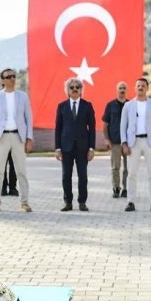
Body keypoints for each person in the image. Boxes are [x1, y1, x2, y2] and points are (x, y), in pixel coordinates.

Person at [0, 67, 33, 213]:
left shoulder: (23, 96)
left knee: (21, 171)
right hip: (1, 137)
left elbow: (28, 118)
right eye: (8, 77)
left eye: (13, 76)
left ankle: (24, 202)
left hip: (19, 136)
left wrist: (29, 138)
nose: (12, 78)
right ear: (2, 80)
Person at [120, 77, 151, 212]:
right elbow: (123, 126)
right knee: (132, 174)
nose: (140, 87)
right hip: (133, 143)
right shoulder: (128, 106)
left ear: (147, 88)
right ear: (135, 88)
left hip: (150, 143)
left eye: (143, 85)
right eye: (138, 85)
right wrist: (124, 143)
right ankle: (130, 202)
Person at [54, 78, 95, 212]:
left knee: (82, 176)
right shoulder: (62, 106)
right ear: (67, 90)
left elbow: (92, 128)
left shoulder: (87, 105)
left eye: (78, 87)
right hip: (66, 147)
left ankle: (82, 202)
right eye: (72, 87)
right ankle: (68, 202)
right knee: (66, 176)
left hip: (83, 147)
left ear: (81, 90)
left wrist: (91, 148)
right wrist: (57, 148)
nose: (75, 89)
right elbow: (58, 128)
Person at [101, 81, 129, 198]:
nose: (122, 90)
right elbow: (105, 124)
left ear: (126, 90)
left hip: (129, 142)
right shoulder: (110, 105)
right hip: (115, 141)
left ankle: (126, 188)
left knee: (128, 168)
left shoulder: (131, 104)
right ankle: (116, 188)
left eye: (124, 88)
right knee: (115, 167)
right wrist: (107, 139)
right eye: (120, 88)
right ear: (117, 90)